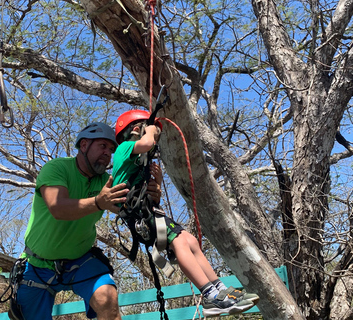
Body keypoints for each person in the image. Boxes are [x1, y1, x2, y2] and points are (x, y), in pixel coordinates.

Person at [112, 110, 260, 317]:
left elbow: (151, 196)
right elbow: (146, 144)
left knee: (190, 241)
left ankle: (219, 289)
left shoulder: (140, 163)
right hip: (140, 216)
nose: (155, 141)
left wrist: (158, 183)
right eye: (151, 134)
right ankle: (209, 295)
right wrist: (152, 132)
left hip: (147, 212)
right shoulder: (124, 148)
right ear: (136, 130)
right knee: (180, 242)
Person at [13, 122, 163, 320]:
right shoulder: (56, 168)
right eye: (102, 146)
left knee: (107, 301)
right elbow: (58, 208)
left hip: (81, 260)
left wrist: (154, 194)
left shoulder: (106, 182)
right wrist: (98, 202)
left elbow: (131, 210)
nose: (108, 154)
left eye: (111, 150)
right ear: (83, 145)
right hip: (37, 264)